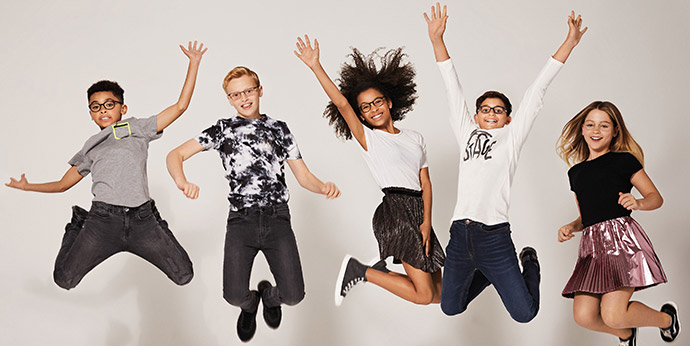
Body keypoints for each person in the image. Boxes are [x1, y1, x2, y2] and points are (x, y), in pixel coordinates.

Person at [425, 3, 585, 322]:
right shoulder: (466, 130)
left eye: (498, 110)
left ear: (508, 118)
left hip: (494, 236)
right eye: (485, 108)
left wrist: (569, 42)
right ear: (476, 115)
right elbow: (451, 86)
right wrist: (437, 41)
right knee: (449, 306)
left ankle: (530, 263)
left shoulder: (511, 138)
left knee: (525, 313)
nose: (491, 113)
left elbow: (538, 89)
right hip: (460, 234)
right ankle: (487, 273)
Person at [5, 41, 206, 290]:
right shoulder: (90, 146)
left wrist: (194, 63)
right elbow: (62, 184)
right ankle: (79, 222)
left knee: (183, 274)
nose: (103, 110)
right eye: (96, 107)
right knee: (64, 279)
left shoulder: (137, 128)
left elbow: (180, 106)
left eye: (109, 104)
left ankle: (156, 218)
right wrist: (28, 187)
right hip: (102, 222)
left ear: (123, 108)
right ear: (90, 113)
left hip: (142, 221)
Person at [166, 65, 340, 342]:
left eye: (248, 91)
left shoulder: (279, 129)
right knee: (233, 295)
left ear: (259, 91)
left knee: (294, 295)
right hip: (241, 221)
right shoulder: (223, 130)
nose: (244, 98)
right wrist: (181, 181)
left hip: (277, 218)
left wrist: (322, 187)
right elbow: (175, 154)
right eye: (236, 95)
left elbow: (303, 175)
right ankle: (250, 304)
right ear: (229, 99)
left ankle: (269, 298)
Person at [294, 35, 445, 307]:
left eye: (377, 102)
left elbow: (426, 183)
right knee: (423, 296)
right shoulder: (369, 138)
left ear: (388, 102)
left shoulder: (415, 137)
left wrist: (427, 222)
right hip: (396, 211)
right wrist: (316, 66)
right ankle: (361, 271)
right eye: (365, 107)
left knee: (440, 296)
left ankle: (379, 271)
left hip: (419, 211)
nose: (373, 109)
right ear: (361, 116)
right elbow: (341, 104)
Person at [556, 101, 680, 345]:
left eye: (604, 125)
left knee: (613, 314)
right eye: (590, 125)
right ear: (582, 129)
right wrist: (571, 226)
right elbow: (588, 216)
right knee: (584, 316)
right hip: (592, 249)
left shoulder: (624, 161)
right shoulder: (576, 173)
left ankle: (667, 319)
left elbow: (656, 198)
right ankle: (626, 335)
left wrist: (638, 203)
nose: (596, 130)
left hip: (622, 243)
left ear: (615, 131)